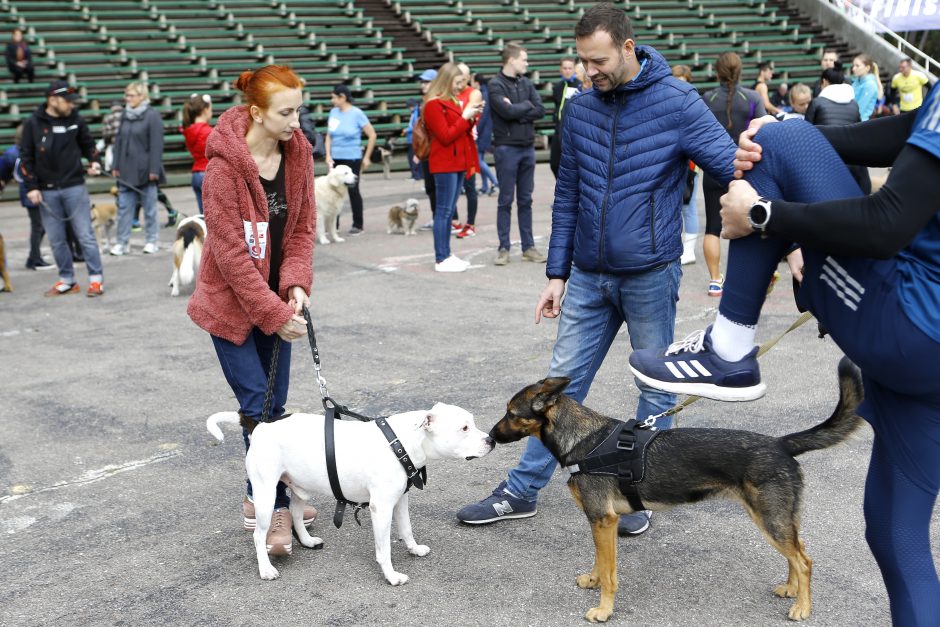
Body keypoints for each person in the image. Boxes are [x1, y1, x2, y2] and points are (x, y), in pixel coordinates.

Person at [628, 96, 940, 625]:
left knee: (775, 141)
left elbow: (886, 223)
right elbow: (911, 132)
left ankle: (729, 350)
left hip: (912, 324)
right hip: (926, 364)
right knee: (893, 530)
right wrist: (813, 139)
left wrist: (761, 215)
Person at [457, 3, 737, 535]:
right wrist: (557, 274)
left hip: (651, 272)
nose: (590, 72)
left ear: (629, 48)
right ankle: (520, 491)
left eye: (599, 61)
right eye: (584, 62)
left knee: (656, 387)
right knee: (555, 391)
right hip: (586, 273)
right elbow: (567, 196)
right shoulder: (581, 108)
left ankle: (640, 493)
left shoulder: (678, 102)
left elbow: (728, 165)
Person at [187, 65, 318, 555]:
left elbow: (302, 229)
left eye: (299, 109)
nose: (295, 121)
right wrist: (274, 313)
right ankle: (273, 505)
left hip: (277, 304)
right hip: (231, 307)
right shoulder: (222, 169)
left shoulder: (298, 153)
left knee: (274, 412)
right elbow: (230, 255)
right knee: (257, 410)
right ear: (256, 113)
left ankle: (256, 496)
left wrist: (296, 284)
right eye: (286, 112)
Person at [20, 81, 104, 296]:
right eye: (67, 101)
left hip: (74, 186)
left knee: (85, 235)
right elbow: (26, 157)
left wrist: (94, 161)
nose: (71, 105)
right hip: (46, 191)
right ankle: (67, 279)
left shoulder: (75, 119)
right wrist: (31, 187)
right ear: (52, 99)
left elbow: (89, 145)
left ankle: (96, 280)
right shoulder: (33, 123)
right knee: (56, 239)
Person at [701, 51, 766, 296]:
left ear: (717, 72)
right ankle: (750, 277)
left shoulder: (708, 97)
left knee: (712, 226)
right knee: (751, 223)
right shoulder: (751, 97)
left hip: (713, 168)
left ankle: (715, 280)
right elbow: (763, 132)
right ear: (739, 72)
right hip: (744, 168)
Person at [487, 42, 547, 266]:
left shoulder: (527, 82)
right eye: (524, 59)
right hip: (506, 148)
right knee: (505, 200)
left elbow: (540, 109)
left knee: (526, 200)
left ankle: (528, 247)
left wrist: (518, 110)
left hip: (527, 148)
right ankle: (503, 247)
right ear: (511, 60)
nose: (527, 63)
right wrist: (525, 107)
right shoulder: (495, 84)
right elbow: (506, 111)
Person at [421, 62, 483, 273]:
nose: (460, 87)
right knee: (444, 211)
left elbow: (461, 131)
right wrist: (465, 117)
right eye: (457, 83)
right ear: (446, 81)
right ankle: (441, 257)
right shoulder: (432, 104)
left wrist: (471, 117)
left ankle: (446, 253)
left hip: (457, 161)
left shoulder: (451, 101)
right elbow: (446, 136)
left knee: (448, 212)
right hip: (445, 163)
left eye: (462, 83)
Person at [109, 82, 166, 256]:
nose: (128, 99)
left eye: (132, 95)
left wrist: (154, 170)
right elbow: (118, 141)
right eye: (127, 95)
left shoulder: (152, 116)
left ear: (142, 96)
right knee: (124, 208)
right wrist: (115, 165)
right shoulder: (126, 114)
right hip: (126, 171)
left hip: (146, 171)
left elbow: (157, 145)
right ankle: (121, 242)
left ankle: (151, 240)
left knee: (149, 209)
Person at [805, 65, 870, 194]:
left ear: (824, 82)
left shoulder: (817, 102)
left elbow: (806, 134)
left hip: (825, 161)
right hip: (853, 162)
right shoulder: (853, 103)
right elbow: (859, 130)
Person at [325, 83, 376, 235]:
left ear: (343, 97)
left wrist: (366, 157)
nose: (332, 100)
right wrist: (328, 154)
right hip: (336, 157)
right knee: (334, 190)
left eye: (334, 97)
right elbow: (329, 135)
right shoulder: (333, 112)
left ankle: (358, 224)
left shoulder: (357, 113)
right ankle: (335, 225)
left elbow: (372, 134)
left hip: (352, 157)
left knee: (353, 190)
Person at [0, 125, 51, 270]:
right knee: (38, 226)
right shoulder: (21, 153)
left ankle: (34, 255)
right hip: (30, 191)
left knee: (40, 225)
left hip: (29, 190)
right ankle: (34, 258)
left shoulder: (12, 152)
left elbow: (4, 172)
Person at [671, 63, 700, 266]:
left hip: (689, 161)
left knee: (688, 206)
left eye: (683, 82)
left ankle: (689, 250)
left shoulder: (693, 102)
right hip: (671, 159)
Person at [453, 62, 482, 239]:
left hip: (467, 145)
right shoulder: (449, 93)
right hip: (452, 143)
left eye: (465, 78)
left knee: (469, 186)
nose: (462, 82)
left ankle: (470, 223)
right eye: (459, 78)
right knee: (451, 186)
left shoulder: (473, 93)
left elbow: (466, 114)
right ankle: (454, 219)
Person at [550, 61, 585, 179]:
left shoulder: (580, 86)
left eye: (570, 68)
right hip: (558, 128)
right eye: (565, 68)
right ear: (561, 69)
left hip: (572, 130)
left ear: (574, 69)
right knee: (554, 163)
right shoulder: (557, 87)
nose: (567, 71)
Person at [413, 69, 438, 230]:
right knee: (430, 187)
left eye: (427, 82)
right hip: (426, 152)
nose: (423, 85)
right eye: (422, 82)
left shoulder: (436, 101)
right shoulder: (422, 101)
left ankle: (447, 220)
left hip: (435, 151)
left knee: (439, 187)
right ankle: (437, 217)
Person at [181, 93, 213, 214]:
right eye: (210, 109)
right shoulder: (208, 131)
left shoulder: (189, 130)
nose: (211, 112)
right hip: (208, 173)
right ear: (205, 110)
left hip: (196, 174)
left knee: (204, 215)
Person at [473, 73, 499, 198]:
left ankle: (495, 182)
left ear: (477, 82)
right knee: (480, 159)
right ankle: (484, 186)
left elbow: (482, 116)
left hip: (482, 132)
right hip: (485, 131)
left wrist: (475, 131)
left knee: (478, 161)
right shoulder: (485, 92)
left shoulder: (483, 94)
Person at [851, 54, 883, 122]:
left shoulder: (870, 85)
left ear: (867, 68)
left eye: (857, 66)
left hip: (860, 122)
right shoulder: (856, 82)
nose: (853, 69)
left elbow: (860, 109)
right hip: (853, 120)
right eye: (853, 66)